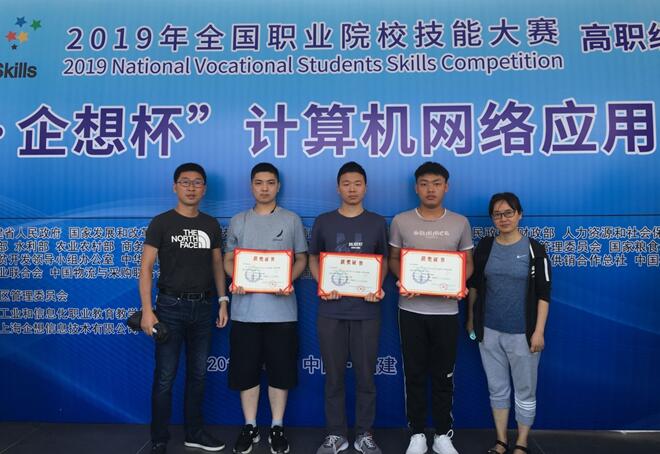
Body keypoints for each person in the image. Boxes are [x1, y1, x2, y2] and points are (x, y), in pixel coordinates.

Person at [139, 162, 229, 454]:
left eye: (197, 182)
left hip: (203, 307)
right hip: (169, 308)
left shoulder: (211, 225)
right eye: (185, 182)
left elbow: (217, 264)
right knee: (165, 377)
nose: (191, 187)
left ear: (204, 189)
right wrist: (147, 310)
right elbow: (146, 267)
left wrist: (222, 300)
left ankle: (194, 433)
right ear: (174, 186)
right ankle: (159, 439)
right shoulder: (161, 223)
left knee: (198, 375)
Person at [388, 162, 474, 454]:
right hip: (411, 310)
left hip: (446, 313)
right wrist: (403, 278)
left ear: (446, 187)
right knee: (413, 373)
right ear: (416, 188)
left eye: (436, 183)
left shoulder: (460, 222)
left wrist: (459, 283)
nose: (430, 189)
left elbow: (468, 263)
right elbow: (394, 258)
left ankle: (441, 434)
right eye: (424, 184)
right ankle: (416, 434)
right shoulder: (401, 221)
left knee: (443, 375)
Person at [223, 162, 308, 454]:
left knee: (280, 372)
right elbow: (228, 259)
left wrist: (287, 279)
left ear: (278, 186)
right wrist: (236, 277)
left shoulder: (291, 220)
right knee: (246, 372)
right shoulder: (238, 221)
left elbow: (301, 258)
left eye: (270, 182)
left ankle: (276, 426)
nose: (264, 188)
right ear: (251, 186)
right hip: (245, 312)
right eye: (259, 182)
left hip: (282, 312)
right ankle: (250, 425)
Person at [308, 161, 388, 454]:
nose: (352, 189)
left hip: (366, 312)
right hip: (331, 311)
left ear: (365, 187)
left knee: (366, 377)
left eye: (357, 184)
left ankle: (364, 434)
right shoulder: (324, 221)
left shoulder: (377, 222)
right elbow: (313, 258)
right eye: (346, 184)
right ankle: (336, 434)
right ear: (338, 187)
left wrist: (376, 286)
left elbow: (384, 260)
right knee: (334, 377)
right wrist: (323, 284)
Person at [466, 193, 551, 454]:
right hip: (489, 332)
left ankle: (522, 441)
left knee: (525, 390)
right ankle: (501, 440)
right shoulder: (485, 247)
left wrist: (538, 332)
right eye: (497, 214)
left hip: (523, 334)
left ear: (519, 214)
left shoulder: (534, 249)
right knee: (497, 388)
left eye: (508, 213)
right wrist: (471, 320)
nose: (503, 219)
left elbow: (543, 294)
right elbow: (474, 287)